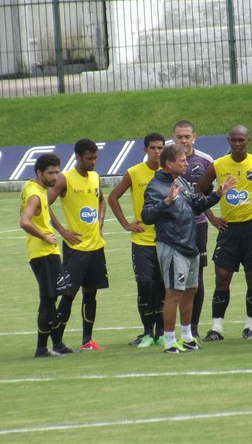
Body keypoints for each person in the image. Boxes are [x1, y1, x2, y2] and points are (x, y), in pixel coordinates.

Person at [141, 144, 236, 353]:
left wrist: (218, 193)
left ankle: (187, 337)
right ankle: (168, 341)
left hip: (190, 244)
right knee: (173, 293)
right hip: (172, 245)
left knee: (190, 291)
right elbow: (147, 216)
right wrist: (166, 201)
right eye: (182, 160)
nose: (187, 163)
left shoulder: (180, 181)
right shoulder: (155, 187)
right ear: (169, 163)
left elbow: (196, 204)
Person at [196, 124, 252, 341]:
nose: (237, 144)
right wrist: (212, 217)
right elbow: (197, 191)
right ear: (228, 141)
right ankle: (216, 328)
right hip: (228, 230)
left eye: (241, 140)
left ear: (248, 140)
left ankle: (250, 326)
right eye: (234, 140)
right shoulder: (218, 165)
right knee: (222, 278)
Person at [48, 139, 108, 351]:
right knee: (68, 295)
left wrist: (100, 222)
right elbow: (43, 204)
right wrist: (62, 231)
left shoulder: (95, 177)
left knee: (91, 293)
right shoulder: (65, 179)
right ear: (78, 157)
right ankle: (57, 342)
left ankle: (87, 341)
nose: (93, 162)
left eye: (95, 158)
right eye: (89, 158)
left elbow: (102, 201)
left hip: (95, 247)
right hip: (76, 249)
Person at [108, 133, 166, 348]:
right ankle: (147, 332)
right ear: (145, 150)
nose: (157, 152)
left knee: (161, 287)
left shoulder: (168, 172)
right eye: (152, 148)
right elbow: (113, 197)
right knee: (144, 285)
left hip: (163, 240)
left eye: (160, 148)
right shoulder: (134, 172)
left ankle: (160, 332)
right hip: (141, 240)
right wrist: (125, 224)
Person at [19, 152, 77, 358]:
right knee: (48, 298)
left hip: (42, 251)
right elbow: (24, 221)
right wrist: (45, 236)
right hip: (43, 252)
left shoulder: (34, 187)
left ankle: (57, 344)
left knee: (51, 296)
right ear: (39, 172)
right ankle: (43, 348)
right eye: (50, 173)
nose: (55, 177)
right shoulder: (36, 194)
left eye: (56, 172)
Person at [171, 121, 216, 339]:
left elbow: (207, 196)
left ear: (194, 137)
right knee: (171, 279)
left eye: (187, 136)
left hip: (197, 227)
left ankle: (193, 327)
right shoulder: (167, 161)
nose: (183, 140)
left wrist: (212, 218)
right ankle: (166, 331)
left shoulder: (206, 161)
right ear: (173, 137)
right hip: (173, 229)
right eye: (179, 137)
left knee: (195, 278)